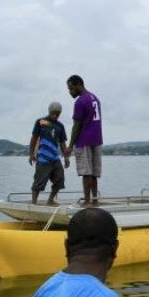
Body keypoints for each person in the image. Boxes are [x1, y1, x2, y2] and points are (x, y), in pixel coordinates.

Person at [65, 75, 103, 206]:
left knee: (86, 172)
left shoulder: (80, 101)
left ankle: (87, 201)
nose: (70, 92)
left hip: (84, 139)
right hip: (97, 139)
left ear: (78, 85)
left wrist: (70, 146)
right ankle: (94, 199)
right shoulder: (95, 98)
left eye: (70, 88)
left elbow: (76, 125)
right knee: (94, 172)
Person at [29, 101, 70, 205]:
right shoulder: (40, 122)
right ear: (49, 111)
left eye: (58, 114)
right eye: (54, 113)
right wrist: (31, 154)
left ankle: (50, 200)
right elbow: (34, 138)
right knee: (39, 182)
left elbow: (62, 143)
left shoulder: (60, 126)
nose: (56, 115)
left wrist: (66, 158)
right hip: (43, 157)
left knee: (60, 179)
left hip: (55, 158)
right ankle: (34, 202)